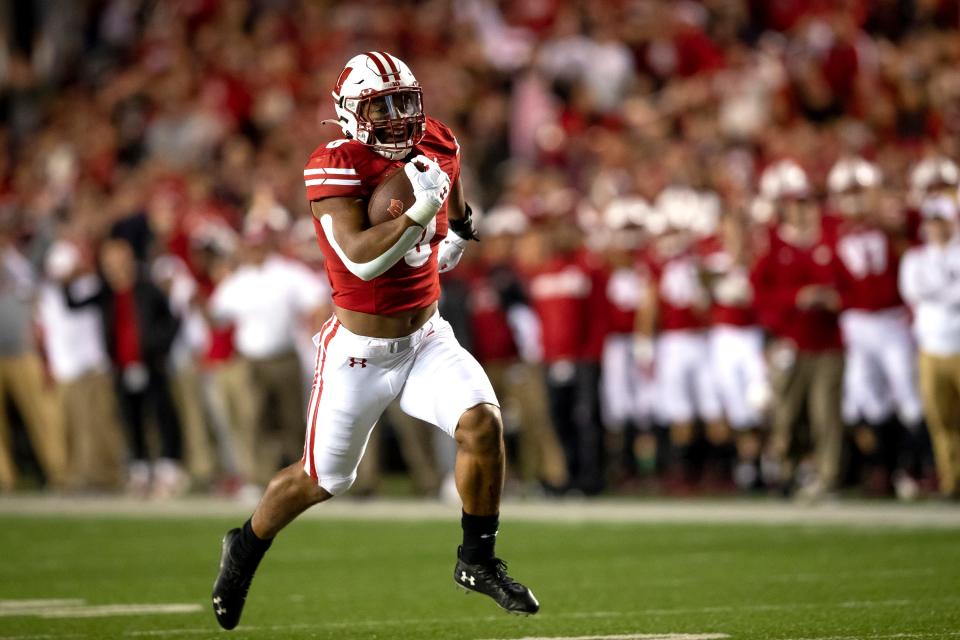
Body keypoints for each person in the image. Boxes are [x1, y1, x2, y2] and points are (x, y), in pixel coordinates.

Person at [211, 52, 539, 631]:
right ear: (348, 111)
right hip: (358, 353)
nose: (397, 117)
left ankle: (477, 558)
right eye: (380, 106)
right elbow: (361, 260)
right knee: (320, 480)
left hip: (426, 337)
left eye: (404, 102)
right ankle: (244, 548)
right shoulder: (333, 164)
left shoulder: (435, 138)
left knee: (483, 424)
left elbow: (450, 179)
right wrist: (419, 213)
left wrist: (459, 226)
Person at [751, 161, 846, 501]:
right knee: (788, 416)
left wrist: (835, 299)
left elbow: (851, 284)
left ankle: (828, 476)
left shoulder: (831, 240)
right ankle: (788, 472)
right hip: (789, 341)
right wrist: (796, 298)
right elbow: (760, 295)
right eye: (797, 204)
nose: (803, 211)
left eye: (807, 204)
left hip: (828, 340)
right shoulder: (775, 246)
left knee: (825, 414)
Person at [64, 237, 186, 497]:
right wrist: (68, 280)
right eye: (108, 263)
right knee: (131, 419)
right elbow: (73, 304)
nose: (113, 268)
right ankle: (140, 470)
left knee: (163, 416)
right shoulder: (106, 293)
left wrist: (158, 347)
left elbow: (172, 320)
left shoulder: (146, 289)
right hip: (121, 367)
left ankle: (168, 469)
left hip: (150, 363)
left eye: (117, 262)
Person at [898, 195, 960, 500]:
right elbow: (912, 291)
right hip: (931, 347)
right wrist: (946, 293)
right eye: (931, 221)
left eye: (941, 220)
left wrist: (936, 294)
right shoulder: (915, 258)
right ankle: (952, 482)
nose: (935, 227)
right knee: (941, 420)